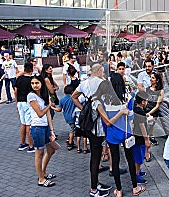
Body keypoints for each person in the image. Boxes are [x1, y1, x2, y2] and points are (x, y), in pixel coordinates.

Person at [95, 80, 146, 197]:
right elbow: (132, 116)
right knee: (130, 160)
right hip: (125, 133)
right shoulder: (127, 98)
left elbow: (104, 122)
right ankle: (135, 187)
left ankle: (119, 190)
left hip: (112, 135)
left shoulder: (103, 101)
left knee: (116, 162)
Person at [71, 64, 112, 196]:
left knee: (95, 154)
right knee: (95, 155)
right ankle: (94, 189)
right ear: (100, 71)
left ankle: (96, 183)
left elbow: (74, 96)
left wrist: (84, 109)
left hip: (89, 122)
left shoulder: (84, 83)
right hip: (99, 123)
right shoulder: (103, 83)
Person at [27, 74, 56, 187]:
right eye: (32, 83)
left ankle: (43, 172)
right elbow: (40, 114)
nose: (34, 85)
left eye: (36, 83)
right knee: (39, 153)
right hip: (37, 128)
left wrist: (52, 130)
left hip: (45, 127)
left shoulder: (44, 95)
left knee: (52, 150)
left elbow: (48, 114)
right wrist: (49, 105)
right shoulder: (31, 96)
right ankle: (41, 179)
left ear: (41, 84)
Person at [14, 63, 35, 152]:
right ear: (32, 69)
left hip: (20, 102)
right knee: (29, 124)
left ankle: (22, 143)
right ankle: (31, 145)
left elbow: (15, 91)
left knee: (23, 123)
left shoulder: (19, 79)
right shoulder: (31, 80)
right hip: (28, 103)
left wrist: (17, 101)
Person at [132, 91, 151, 184]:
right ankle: (136, 174)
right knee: (139, 157)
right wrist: (146, 139)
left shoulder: (135, 109)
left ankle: (138, 172)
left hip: (136, 136)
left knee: (138, 156)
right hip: (139, 139)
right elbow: (142, 126)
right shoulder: (140, 112)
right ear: (143, 101)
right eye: (146, 101)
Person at [145, 72, 164, 155]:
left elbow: (157, 105)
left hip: (153, 113)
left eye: (153, 78)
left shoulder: (160, 91)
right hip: (146, 110)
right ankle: (147, 149)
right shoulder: (147, 88)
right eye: (151, 77)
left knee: (150, 128)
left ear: (157, 80)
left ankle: (148, 150)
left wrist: (149, 113)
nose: (151, 79)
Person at [54, 85, 77, 151]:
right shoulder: (74, 98)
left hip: (67, 117)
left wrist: (52, 107)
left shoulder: (62, 100)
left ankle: (71, 141)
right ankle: (70, 143)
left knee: (72, 128)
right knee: (73, 130)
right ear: (72, 92)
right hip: (74, 116)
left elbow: (59, 109)